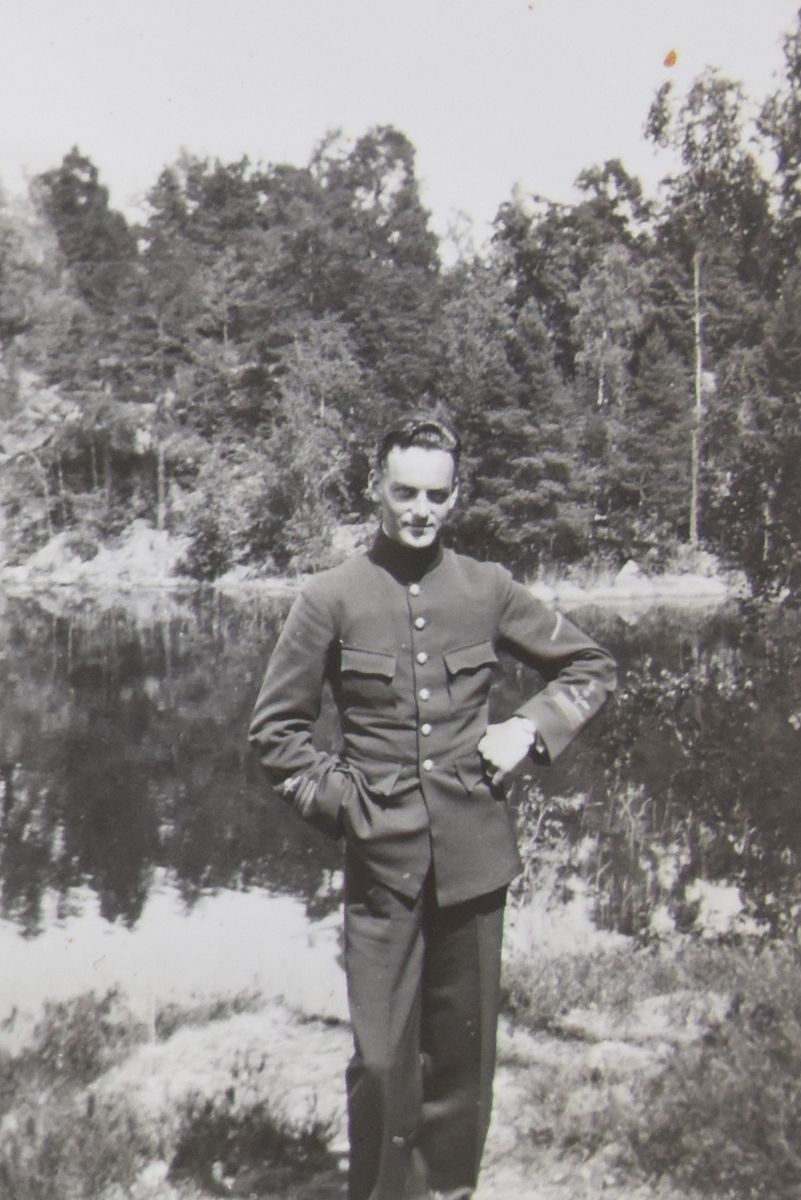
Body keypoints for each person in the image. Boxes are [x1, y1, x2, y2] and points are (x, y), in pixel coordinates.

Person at [248, 417, 616, 1200]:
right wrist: (349, 809)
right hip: (381, 865)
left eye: (436, 495)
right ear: (374, 489)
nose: (420, 509)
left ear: (455, 497)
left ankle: (449, 1192)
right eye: (405, 491)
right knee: (382, 1062)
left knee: (462, 1064)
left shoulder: (486, 588)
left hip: (475, 859)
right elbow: (275, 736)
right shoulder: (329, 597)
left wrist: (527, 729)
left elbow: (589, 666)